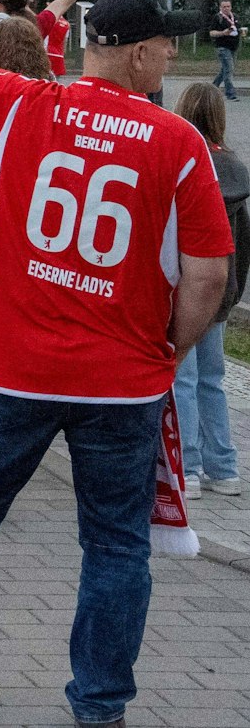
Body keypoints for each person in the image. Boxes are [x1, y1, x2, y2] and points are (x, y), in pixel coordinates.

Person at [0, 0, 231, 728]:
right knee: (114, 545)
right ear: (141, 57)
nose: (171, 56)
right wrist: (169, 348)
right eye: (165, 45)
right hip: (121, 381)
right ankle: (99, 703)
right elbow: (210, 274)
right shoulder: (179, 142)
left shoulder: (21, 104)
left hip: (13, 367)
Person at [171, 82, 245, 499]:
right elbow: (243, 242)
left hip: (185, 288)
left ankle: (189, 469)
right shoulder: (235, 169)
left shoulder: (183, 163)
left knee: (183, 378)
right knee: (212, 380)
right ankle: (225, 468)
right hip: (221, 291)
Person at [210, 0, 240, 101]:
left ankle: (212, 88)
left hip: (233, 47)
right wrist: (223, 32)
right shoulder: (218, 18)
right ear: (220, 7)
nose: (226, 8)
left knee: (225, 70)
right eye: (224, 7)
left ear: (231, 7)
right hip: (222, 47)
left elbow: (238, 29)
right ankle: (230, 94)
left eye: (228, 6)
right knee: (229, 70)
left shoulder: (235, 16)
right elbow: (212, 32)